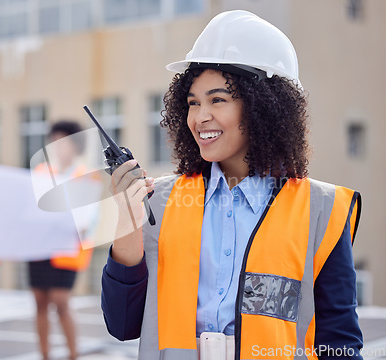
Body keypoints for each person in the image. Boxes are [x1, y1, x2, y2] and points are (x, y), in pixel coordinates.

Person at [101, 10, 363, 360]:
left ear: (263, 107)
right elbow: (122, 325)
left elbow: (340, 343)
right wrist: (127, 222)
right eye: (193, 103)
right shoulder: (159, 202)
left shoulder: (322, 209)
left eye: (218, 99)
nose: (200, 117)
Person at [28, 120, 94, 360]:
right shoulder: (40, 173)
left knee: (61, 301)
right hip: (40, 246)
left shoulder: (85, 175)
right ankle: (44, 355)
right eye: (54, 140)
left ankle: (73, 354)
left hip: (67, 248)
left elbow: (91, 215)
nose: (57, 146)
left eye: (62, 141)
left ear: (75, 145)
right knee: (40, 301)